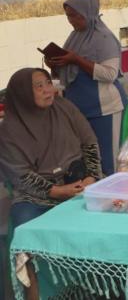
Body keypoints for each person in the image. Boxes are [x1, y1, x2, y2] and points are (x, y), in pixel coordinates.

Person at [0, 68, 102, 300]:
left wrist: (92, 177)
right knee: (26, 233)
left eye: (48, 82)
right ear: (23, 94)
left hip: (78, 182)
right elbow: (20, 175)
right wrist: (55, 191)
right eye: (40, 86)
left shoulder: (64, 108)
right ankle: (34, 293)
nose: (49, 90)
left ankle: (94, 286)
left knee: (106, 219)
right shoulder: (8, 131)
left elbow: (89, 143)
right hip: (35, 196)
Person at [46, 0, 127, 176]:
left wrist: (76, 59)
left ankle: (111, 191)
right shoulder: (75, 37)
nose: (71, 20)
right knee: (88, 161)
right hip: (79, 109)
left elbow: (110, 74)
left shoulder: (104, 38)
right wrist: (55, 65)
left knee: (107, 160)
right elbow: (69, 72)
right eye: (68, 16)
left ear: (87, 13)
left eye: (74, 15)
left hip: (104, 108)